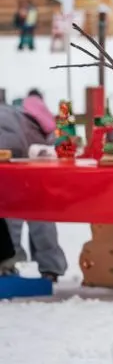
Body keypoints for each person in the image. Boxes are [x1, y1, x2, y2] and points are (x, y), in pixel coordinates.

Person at [0, 89, 68, 280]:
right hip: (25, 159)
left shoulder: (12, 109)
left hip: (6, 160)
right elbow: (53, 138)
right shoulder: (36, 109)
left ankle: (7, 262)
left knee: (8, 213)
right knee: (39, 213)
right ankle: (50, 266)